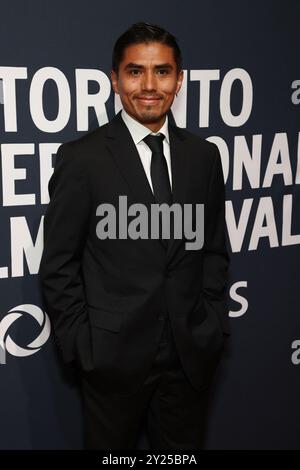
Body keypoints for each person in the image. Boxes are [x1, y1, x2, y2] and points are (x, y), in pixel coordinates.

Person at [39, 21, 230, 450]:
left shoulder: (204, 156)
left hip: (189, 358)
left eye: (162, 71)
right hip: (111, 362)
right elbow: (57, 265)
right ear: (114, 79)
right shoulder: (82, 159)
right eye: (134, 71)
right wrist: (84, 347)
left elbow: (215, 247)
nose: (148, 85)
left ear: (179, 80)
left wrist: (213, 323)